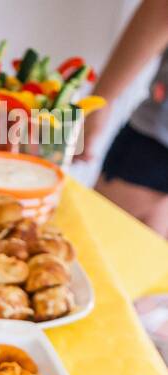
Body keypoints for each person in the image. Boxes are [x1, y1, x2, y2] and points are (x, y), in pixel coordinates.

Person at [85, 0, 168, 234]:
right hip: (155, 148)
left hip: (155, 150)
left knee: (100, 255)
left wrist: (101, 101)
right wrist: (101, 101)